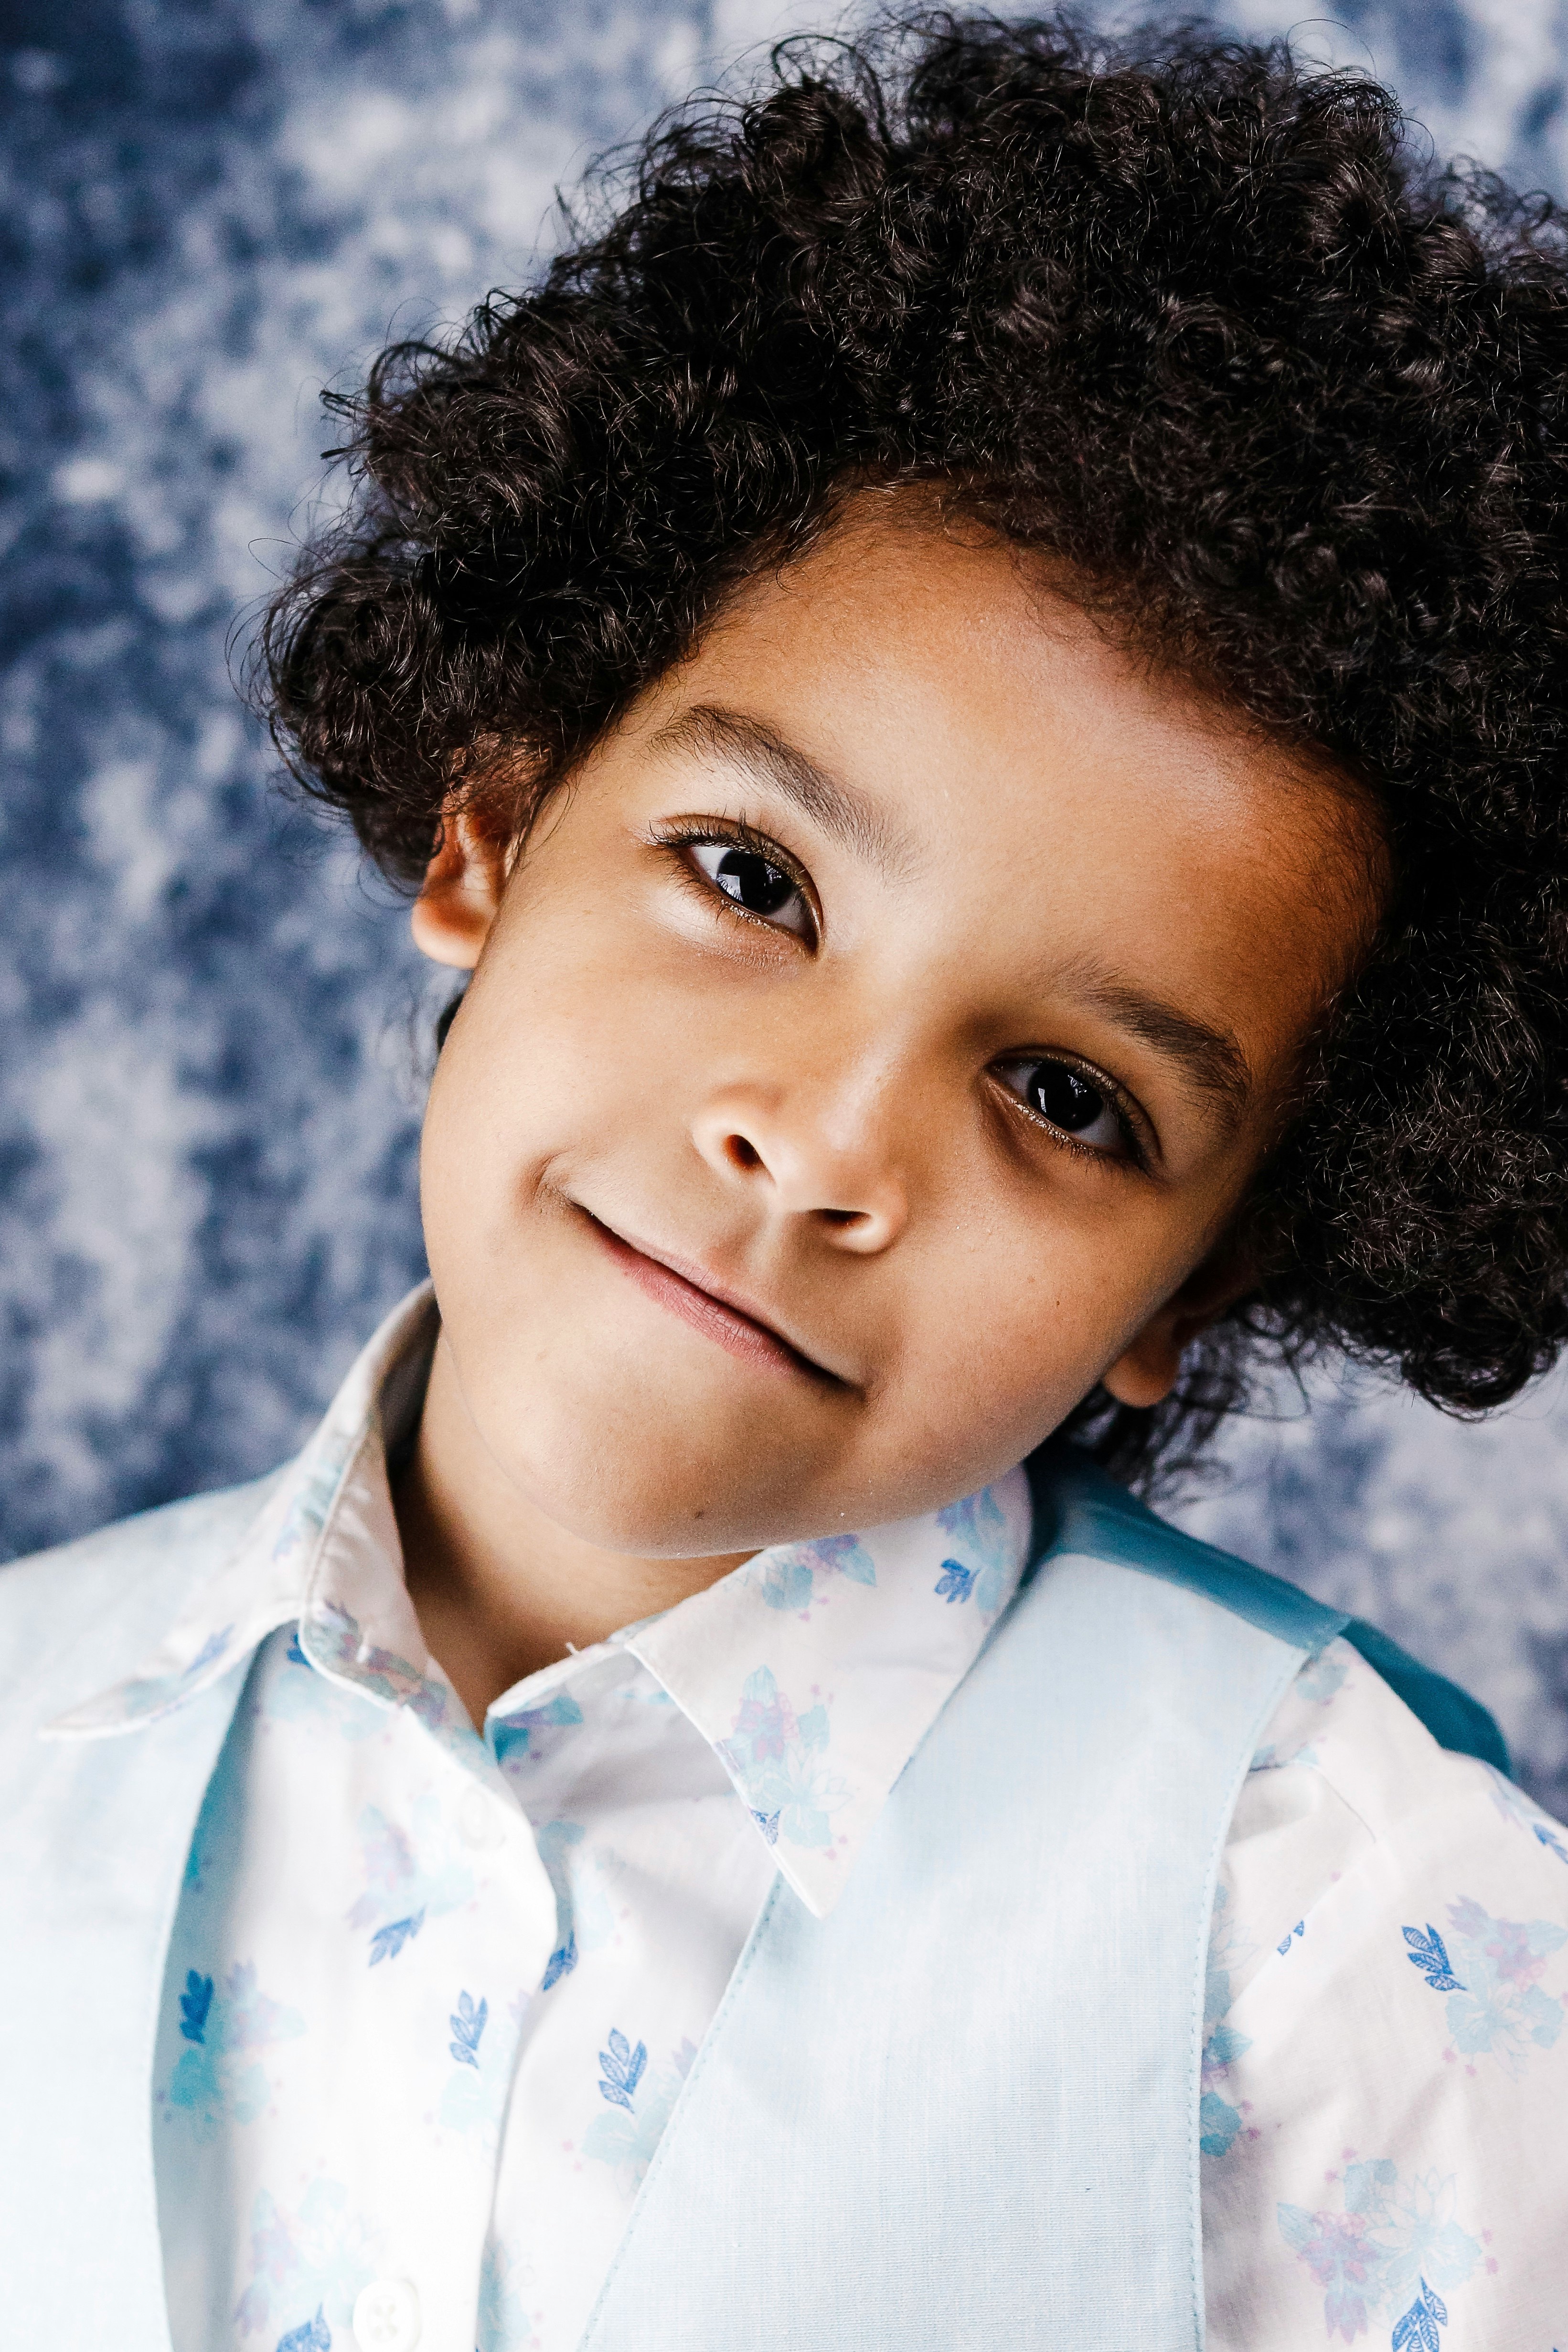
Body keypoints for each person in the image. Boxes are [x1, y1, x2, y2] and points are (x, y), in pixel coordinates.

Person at [4, 13, 1568, 2348]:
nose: (818, 1143)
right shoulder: (32, 1725)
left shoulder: (1352, 1944)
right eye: (751, 876)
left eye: (1062, 1096)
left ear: (1194, 1280)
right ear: (493, 825)